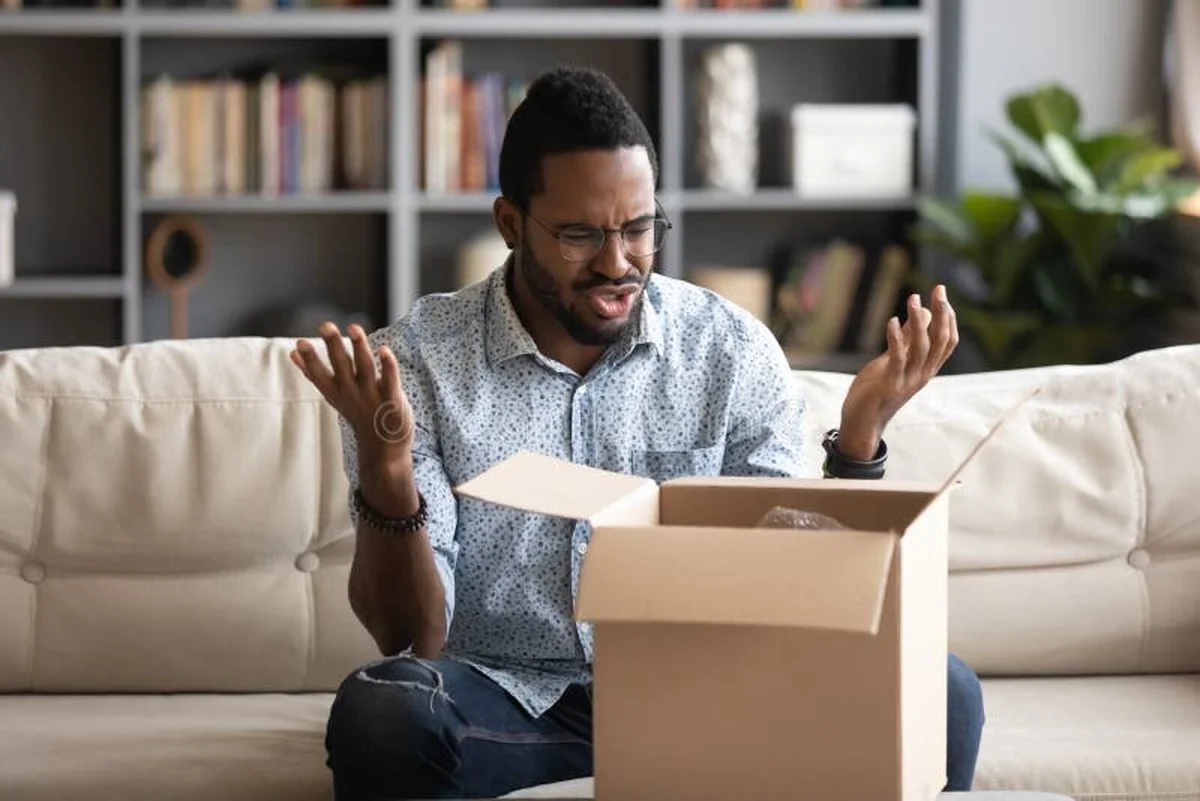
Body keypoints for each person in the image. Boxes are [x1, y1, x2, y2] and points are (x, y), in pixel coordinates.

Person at [291, 65, 981, 801]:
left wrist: (858, 438)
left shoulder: (729, 351)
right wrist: (387, 465)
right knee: (385, 710)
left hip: (712, 695)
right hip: (515, 706)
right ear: (510, 223)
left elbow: (801, 586)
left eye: (639, 228)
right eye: (582, 234)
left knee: (943, 689)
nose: (617, 263)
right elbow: (413, 636)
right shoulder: (419, 364)